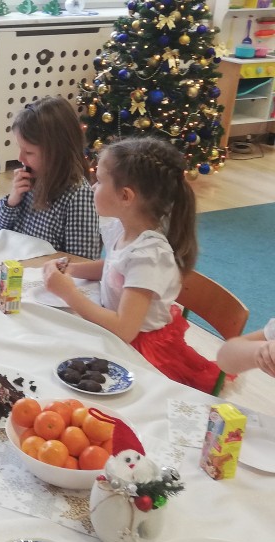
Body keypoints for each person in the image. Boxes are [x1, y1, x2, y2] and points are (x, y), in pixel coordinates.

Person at [42, 137, 223, 394]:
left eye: (100, 181)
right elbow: (114, 268)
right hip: (114, 333)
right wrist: (71, 269)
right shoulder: (122, 228)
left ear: (125, 196)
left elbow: (125, 329)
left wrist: (68, 292)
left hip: (139, 352)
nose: (93, 187)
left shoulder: (149, 256)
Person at [0, 96, 101, 260]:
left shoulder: (78, 196)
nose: (20, 158)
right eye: (20, 149)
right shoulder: (29, 179)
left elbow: (81, 263)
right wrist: (12, 201)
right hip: (15, 266)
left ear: (56, 152)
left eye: (29, 152)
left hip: (41, 272)